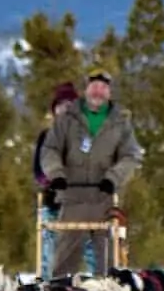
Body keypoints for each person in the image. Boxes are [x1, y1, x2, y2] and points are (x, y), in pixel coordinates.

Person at [40, 68, 143, 276]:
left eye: (103, 88)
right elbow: (50, 150)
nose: (98, 91)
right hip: (72, 197)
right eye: (94, 86)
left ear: (109, 93)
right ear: (86, 90)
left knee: (106, 259)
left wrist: (114, 177)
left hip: (104, 198)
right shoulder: (67, 119)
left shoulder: (120, 123)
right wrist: (56, 174)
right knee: (65, 258)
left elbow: (131, 155)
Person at [33, 82, 96, 279]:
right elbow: (39, 171)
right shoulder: (46, 136)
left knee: (94, 250)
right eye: (61, 106)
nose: (65, 110)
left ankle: (102, 289)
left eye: (70, 106)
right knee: (49, 254)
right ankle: (47, 288)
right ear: (55, 110)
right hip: (54, 203)